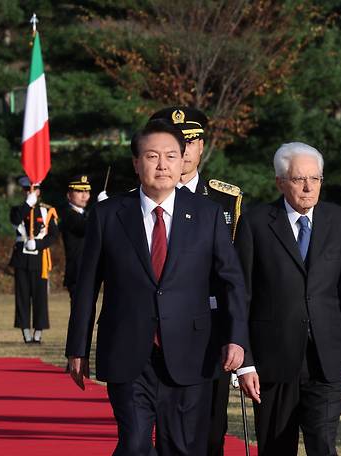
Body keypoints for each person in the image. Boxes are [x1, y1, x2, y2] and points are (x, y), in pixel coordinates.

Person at [65, 119, 249, 455]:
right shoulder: (108, 215)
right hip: (127, 348)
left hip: (191, 350)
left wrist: (237, 339)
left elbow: (231, 281)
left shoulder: (207, 214)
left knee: (180, 446)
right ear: (136, 163)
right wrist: (77, 347)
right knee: (134, 443)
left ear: (182, 161)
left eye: (170, 156)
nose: (162, 165)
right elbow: (87, 285)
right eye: (152, 156)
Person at [235, 142, 341, 455]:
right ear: (280, 182)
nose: (308, 187)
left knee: (322, 441)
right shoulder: (255, 223)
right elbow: (242, 297)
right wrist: (245, 364)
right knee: (276, 446)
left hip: (327, 358)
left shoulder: (339, 220)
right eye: (298, 180)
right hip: (273, 360)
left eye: (315, 179)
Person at [149, 106, 243, 456]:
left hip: (208, 325)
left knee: (209, 428)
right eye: (174, 142)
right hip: (154, 327)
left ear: (202, 145)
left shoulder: (224, 199)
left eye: (190, 141)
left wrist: (236, 333)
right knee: (154, 425)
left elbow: (232, 274)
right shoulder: (139, 199)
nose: (183, 151)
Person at [10, 176, 59, 344]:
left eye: (33, 189)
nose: (30, 192)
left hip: (39, 259)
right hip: (21, 259)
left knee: (40, 298)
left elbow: (53, 236)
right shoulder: (17, 209)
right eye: (27, 189)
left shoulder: (47, 210)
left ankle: (38, 332)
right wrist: (28, 204)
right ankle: (25, 332)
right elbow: (16, 221)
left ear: (38, 190)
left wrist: (38, 244)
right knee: (22, 297)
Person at [60, 175, 91, 305]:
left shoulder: (86, 214)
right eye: (79, 191)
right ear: (69, 195)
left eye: (86, 191)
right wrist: (102, 208)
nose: (84, 196)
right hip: (77, 272)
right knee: (79, 315)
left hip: (89, 271)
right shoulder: (68, 214)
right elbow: (86, 228)